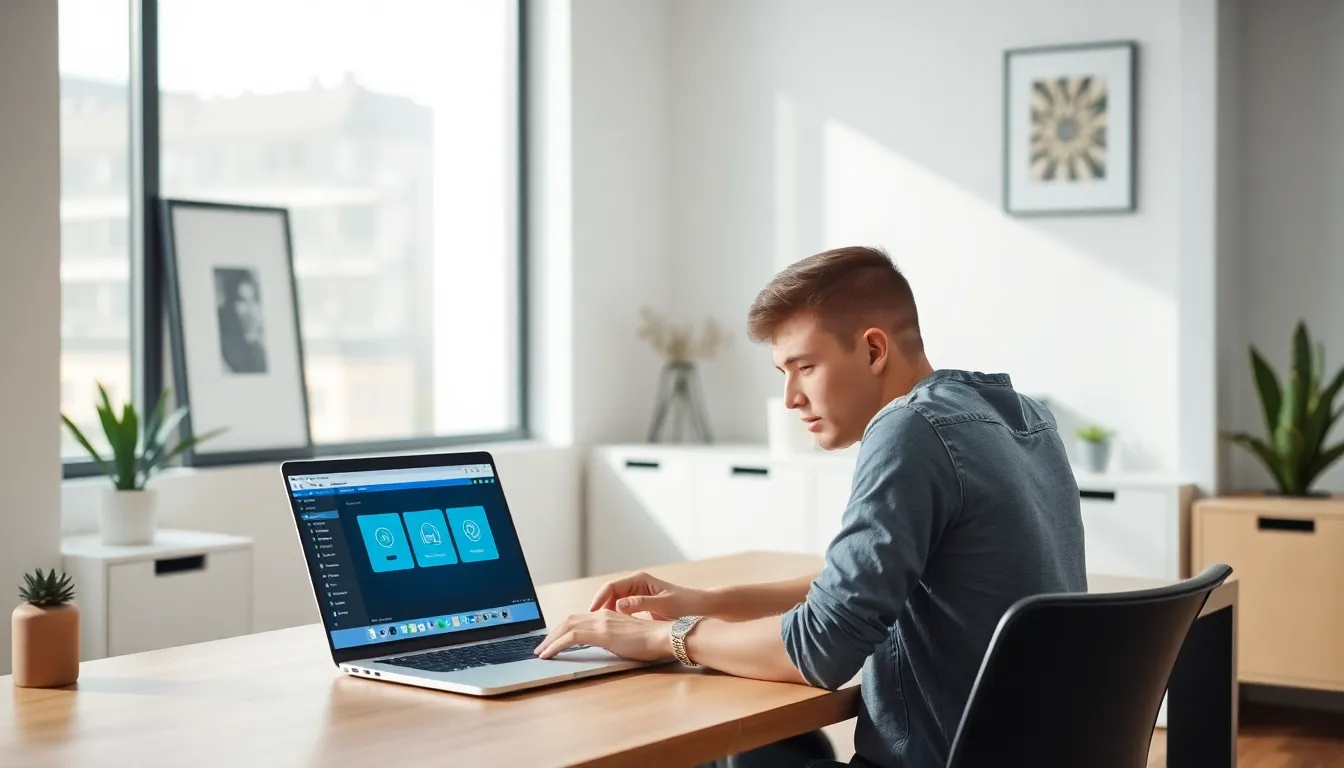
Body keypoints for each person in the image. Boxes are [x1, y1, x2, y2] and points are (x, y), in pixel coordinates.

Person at [534, 246, 1087, 768]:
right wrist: (707, 601)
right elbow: (861, 584)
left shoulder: (910, 430)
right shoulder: (1020, 417)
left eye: (806, 367)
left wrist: (664, 637)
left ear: (874, 350)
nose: (791, 398)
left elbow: (823, 648)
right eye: (783, 374)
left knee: (703, 727)